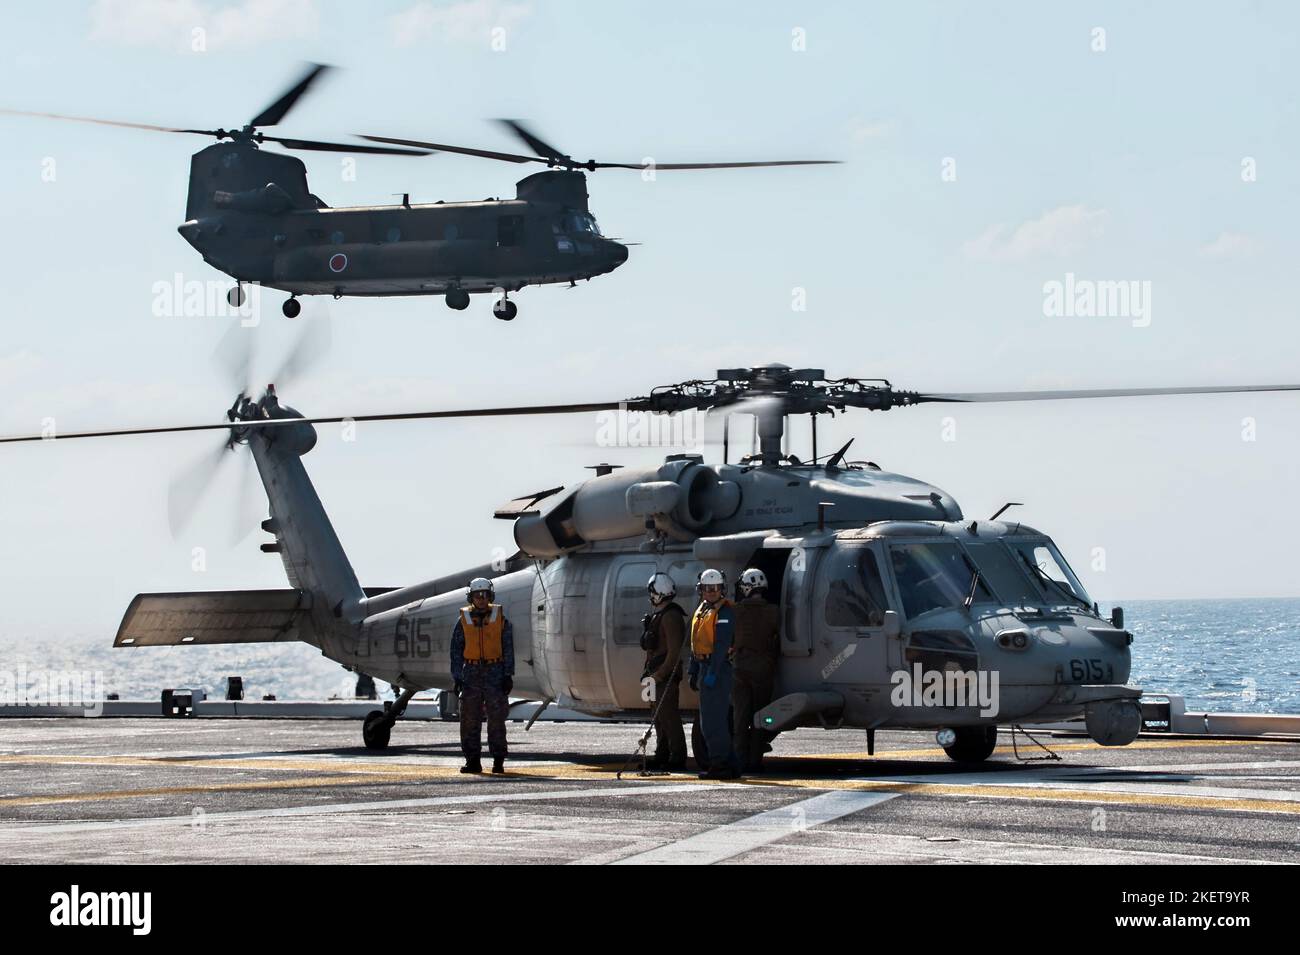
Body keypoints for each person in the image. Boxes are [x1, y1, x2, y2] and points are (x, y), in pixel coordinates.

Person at [450, 577, 514, 775]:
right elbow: (455, 651)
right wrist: (457, 677)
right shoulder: (463, 621)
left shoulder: (501, 620)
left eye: (484, 595)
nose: (481, 599)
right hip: (471, 674)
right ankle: (473, 761)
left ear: (490, 596)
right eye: (477, 595)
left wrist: (507, 675)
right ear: (471, 597)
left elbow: (508, 649)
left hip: (495, 673)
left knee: (497, 719)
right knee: (469, 719)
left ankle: (498, 761)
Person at [689, 568, 740, 779]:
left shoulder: (724, 612)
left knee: (713, 722)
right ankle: (730, 765)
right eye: (707, 588)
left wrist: (712, 672)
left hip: (716, 670)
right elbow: (696, 642)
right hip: (705, 667)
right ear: (701, 589)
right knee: (709, 720)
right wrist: (693, 669)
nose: (711, 592)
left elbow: (721, 646)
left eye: (715, 588)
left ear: (722, 589)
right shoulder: (703, 610)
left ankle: (720, 765)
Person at [731, 567, 781, 772]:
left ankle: (739, 760)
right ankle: (755, 758)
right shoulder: (774, 612)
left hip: (740, 669)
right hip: (763, 670)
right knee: (762, 718)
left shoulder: (735, 611)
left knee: (740, 717)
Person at [640, 572, 687, 770]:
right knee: (657, 717)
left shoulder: (671, 616)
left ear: (658, 593)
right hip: (653, 675)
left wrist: (660, 675)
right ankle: (662, 753)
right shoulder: (660, 615)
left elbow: (674, 653)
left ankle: (677, 756)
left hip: (663, 676)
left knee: (669, 716)